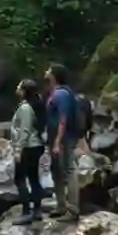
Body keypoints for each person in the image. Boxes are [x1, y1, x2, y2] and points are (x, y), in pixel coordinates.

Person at [44, 65, 84, 220]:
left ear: (54, 75)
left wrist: (57, 142)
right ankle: (61, 204)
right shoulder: (57, 92)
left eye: (49, 70)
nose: (46, 71)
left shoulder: (61, 94)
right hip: (55, 138)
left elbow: (63, 119)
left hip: (63, 139)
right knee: (56, 171)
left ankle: (73, 210)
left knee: (68, 169)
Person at [10, 79, 46, 224]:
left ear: (24, 91)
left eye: (19, 86)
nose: (17, 88)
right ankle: (37, 210)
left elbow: (25, 130)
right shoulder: (34, 104)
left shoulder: (25, 108)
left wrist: (18, 150)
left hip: (28, 147)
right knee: (34, 178)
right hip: (35, 145)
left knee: (19, 179)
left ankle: (26, 212)